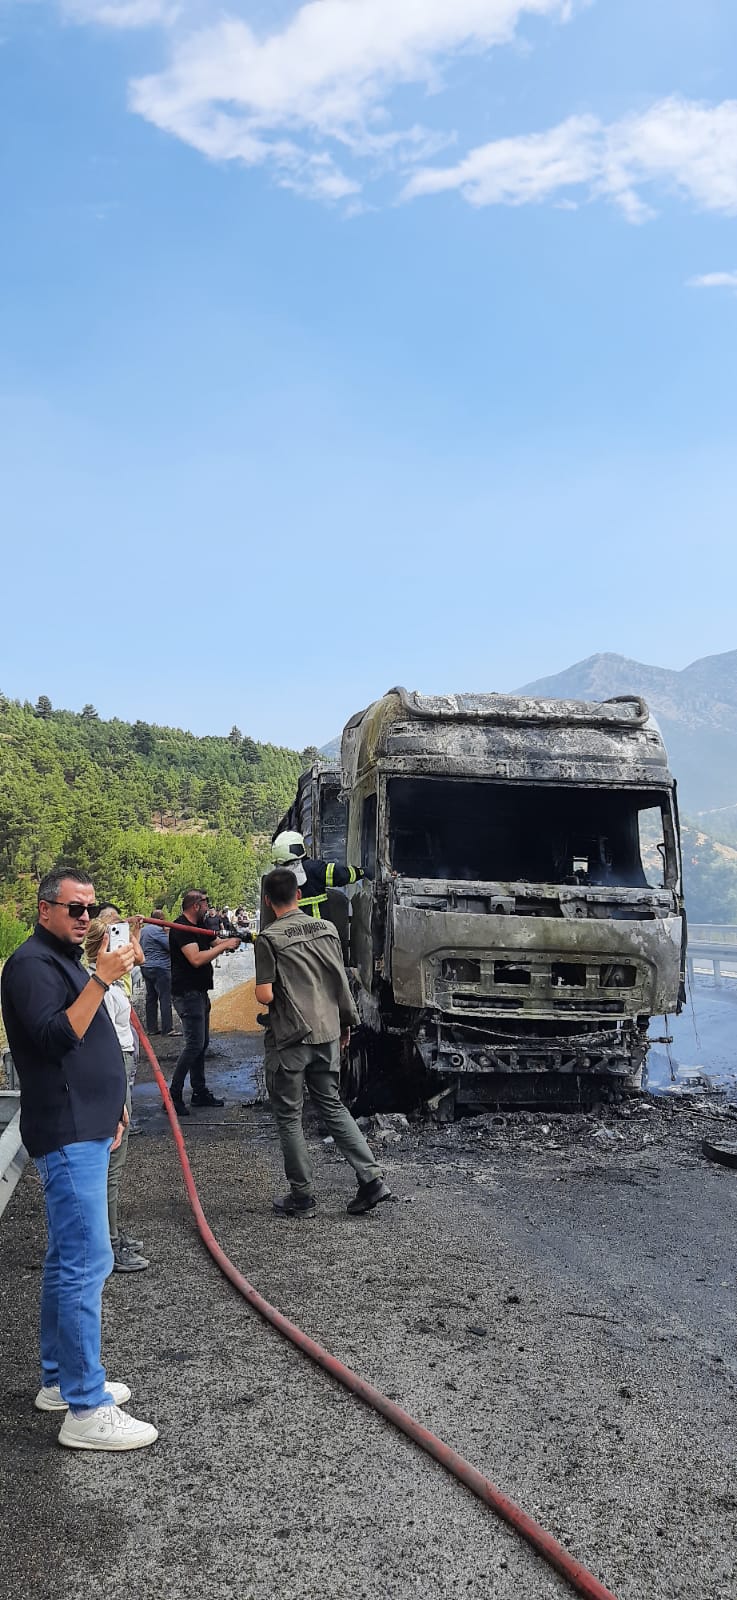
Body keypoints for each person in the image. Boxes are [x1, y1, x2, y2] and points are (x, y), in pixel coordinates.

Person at [0, 866, 157, 1451]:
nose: (86, 918)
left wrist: (111, 1104)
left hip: (86, 1123)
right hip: (65, 1132)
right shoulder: (30, 967)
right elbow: (53, 1039)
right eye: (74, 909)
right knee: (88, 1261)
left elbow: (92, 1043)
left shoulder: (64, 961)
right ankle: (86, 1409)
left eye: (91, 909)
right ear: (45, 910)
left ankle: (58, 1382)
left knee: (68, 1256)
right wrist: (100, 979)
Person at [254, 867, 390, 1217]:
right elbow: (338, 979)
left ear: (269, 901)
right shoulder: (327, 928)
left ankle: (302, 1197)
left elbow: (264, 994)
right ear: (298, 894)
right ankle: (371, 1178)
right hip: (328, 1031)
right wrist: (347, 1023)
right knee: (332, 1105)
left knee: (289, 1116)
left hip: (291, 1039)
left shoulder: (268, 939)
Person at [85, 916, 149, 1274]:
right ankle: (107, 1244)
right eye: (118, 939)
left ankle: (109, 1233)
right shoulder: (100, 988)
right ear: (104, 947)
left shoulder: (106, 982)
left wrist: (134, 934)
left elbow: (137, 959)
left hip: (121, 1066)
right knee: (112, 1161)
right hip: (115, 1070)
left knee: (113, 1162)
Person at [168, 890, 240, 1115]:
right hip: (186, 992)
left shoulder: (199, 927)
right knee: (194, 1045)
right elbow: (196, 959)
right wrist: (222, 946)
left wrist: (232, 941)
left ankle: (199, 1092)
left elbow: (216, 940)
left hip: (199, 992)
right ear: (195, 906)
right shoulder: (181, 929)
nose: (208, 909)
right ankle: (173, 1095)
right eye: (206, 905)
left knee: (202, 1044)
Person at [139, 909, 174, 1036]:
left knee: (151, 998)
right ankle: (167, 1029)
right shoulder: (158, 931)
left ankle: (152, 1028)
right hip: (161, 968)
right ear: (160, 920)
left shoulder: (142, 931)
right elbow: (171, 947)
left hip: (145, 966)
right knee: (165, 998)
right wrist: (167, 934)